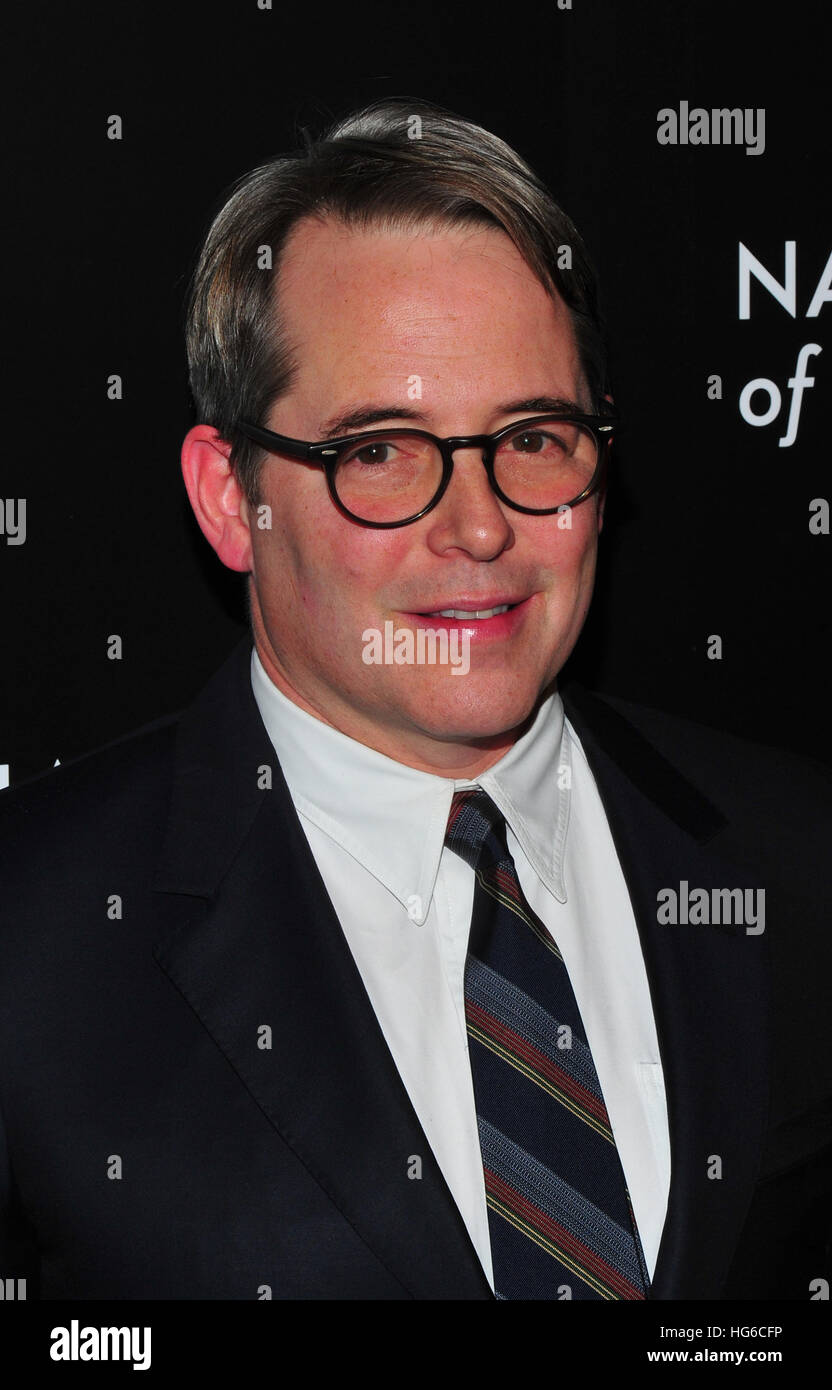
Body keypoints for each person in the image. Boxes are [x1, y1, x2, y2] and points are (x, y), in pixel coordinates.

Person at [1, 98, 829, 1302]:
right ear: (233, 500)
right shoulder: (34, 939)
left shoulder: (797, 860)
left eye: (534, 437)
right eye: (379, 451)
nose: (482, 524)